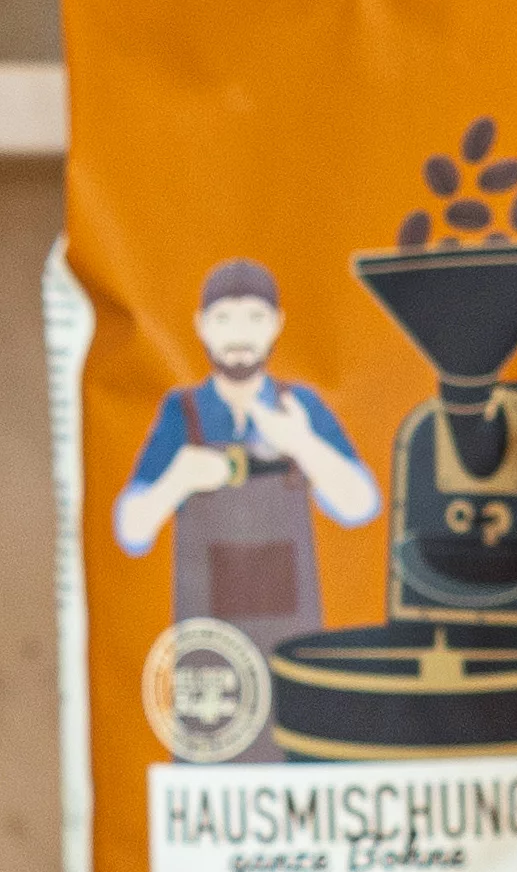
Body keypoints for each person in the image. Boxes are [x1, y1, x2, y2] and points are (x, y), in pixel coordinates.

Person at [110, 261, 376, 634]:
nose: (239, 334)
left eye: (255, 317)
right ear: (201, 324)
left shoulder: (298, 406)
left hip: (291, 636)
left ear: (277, 324)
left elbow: (361, 505)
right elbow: (130, 532)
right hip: (211, 646)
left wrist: (302, 444)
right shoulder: (182, 411)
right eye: (224, 319)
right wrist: (176, 481)